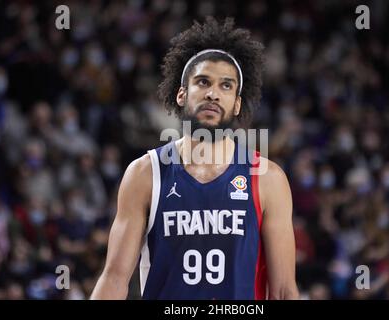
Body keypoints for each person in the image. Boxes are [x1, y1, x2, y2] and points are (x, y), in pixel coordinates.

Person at [91, 17, 298, 300]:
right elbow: (114, 278)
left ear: (237, 104)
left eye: (226, 86)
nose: (213, 93)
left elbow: (284, 290)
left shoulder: (268, 178)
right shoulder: (144, 173)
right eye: (203, 82)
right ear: (181, 94)